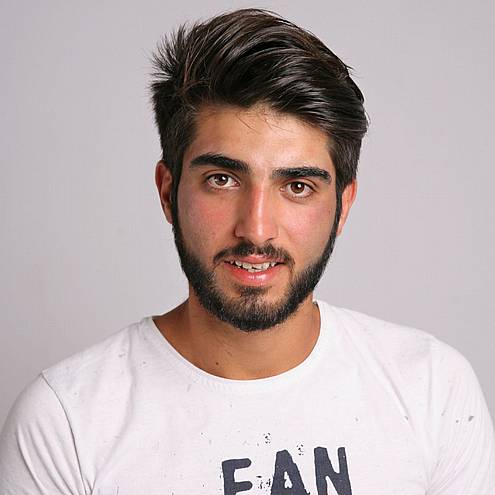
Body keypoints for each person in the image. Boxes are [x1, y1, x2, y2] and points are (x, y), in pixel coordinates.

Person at [1, 8, 494, 494]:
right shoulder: (66, 422)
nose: (256, 229)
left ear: (343, 206)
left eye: (297, 186)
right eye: (222, 180)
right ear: (168, 191)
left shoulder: (432, 391)